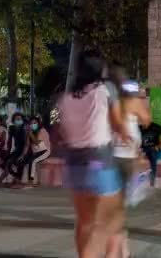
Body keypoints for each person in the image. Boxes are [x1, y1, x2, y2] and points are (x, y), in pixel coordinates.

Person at [56, 50, 128, 258]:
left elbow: (63, 131)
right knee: (113, 220)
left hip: (73, 165)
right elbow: (118, 125)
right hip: (99, 162)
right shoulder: (105, 90)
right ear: (99, 70)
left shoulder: (67, 97)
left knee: (85, 222)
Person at [110, 72, 151, 258]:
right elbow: (147, 120)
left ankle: (120, 249)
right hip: (127, 159)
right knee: (119, 208)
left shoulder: (114, 104)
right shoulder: (133, 103)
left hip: (110, 158)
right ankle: (121, 250)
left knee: (115, 206)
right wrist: (142, 101)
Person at [8, 116, 51, 187]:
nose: (33, 125)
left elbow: (37, 142)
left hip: (44, 151)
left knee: (33, 161)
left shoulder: (42, 131)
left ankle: (30, 181)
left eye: (35, 123)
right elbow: (27, 146)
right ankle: (18, 180)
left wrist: (30, 134)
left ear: (38, 123)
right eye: (31, 123)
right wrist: (22, 155)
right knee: (20, 160)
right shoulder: (29, 132)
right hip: (36, 152)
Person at [0, 113, 27, 185]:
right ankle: (16, 177)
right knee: (1, 162)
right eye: (16, 119)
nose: (18, 120)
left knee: (13, 161)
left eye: (20, 119)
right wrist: (7, 154)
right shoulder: (12, 128)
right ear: (13, 121)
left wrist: (22, 154)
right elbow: (9, 143)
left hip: (25, 150)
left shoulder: (24, 129)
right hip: (16, 150)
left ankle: (1, 180)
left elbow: (26, 144)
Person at [140, 121, 161, 186]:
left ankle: (152, 183)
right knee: (141, 163)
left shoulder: (155, 126)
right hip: (142, 149)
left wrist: (160, 145)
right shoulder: (139, 127)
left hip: (153, 148)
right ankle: (142, 180)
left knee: (152, 163)